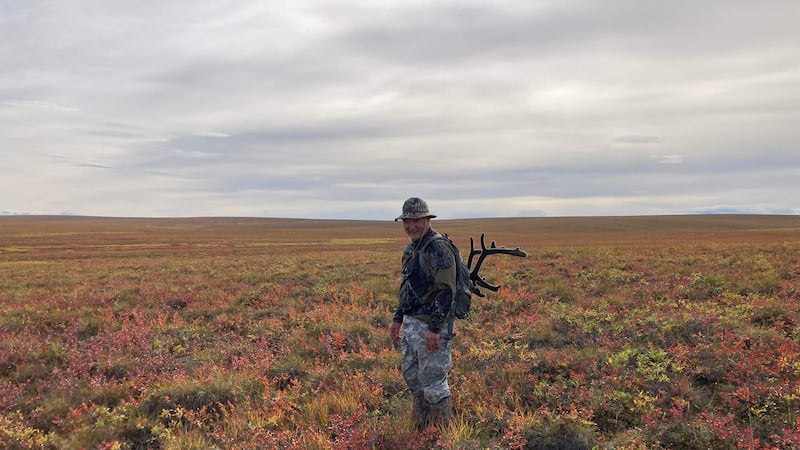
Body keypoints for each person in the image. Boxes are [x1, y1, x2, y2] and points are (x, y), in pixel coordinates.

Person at [389, 197, 456, 431]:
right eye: (407, 221)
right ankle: (421, 429)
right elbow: (407, 286)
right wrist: (398, 319)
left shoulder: (438, 248)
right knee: (414, 378)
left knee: (434, 379)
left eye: (416, 220)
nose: (411, 226)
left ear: (427, 220)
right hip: (411, 323)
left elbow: (446, 291)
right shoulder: (411, 248)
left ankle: (442, 436)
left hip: (430, 326)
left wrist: (435, 328)